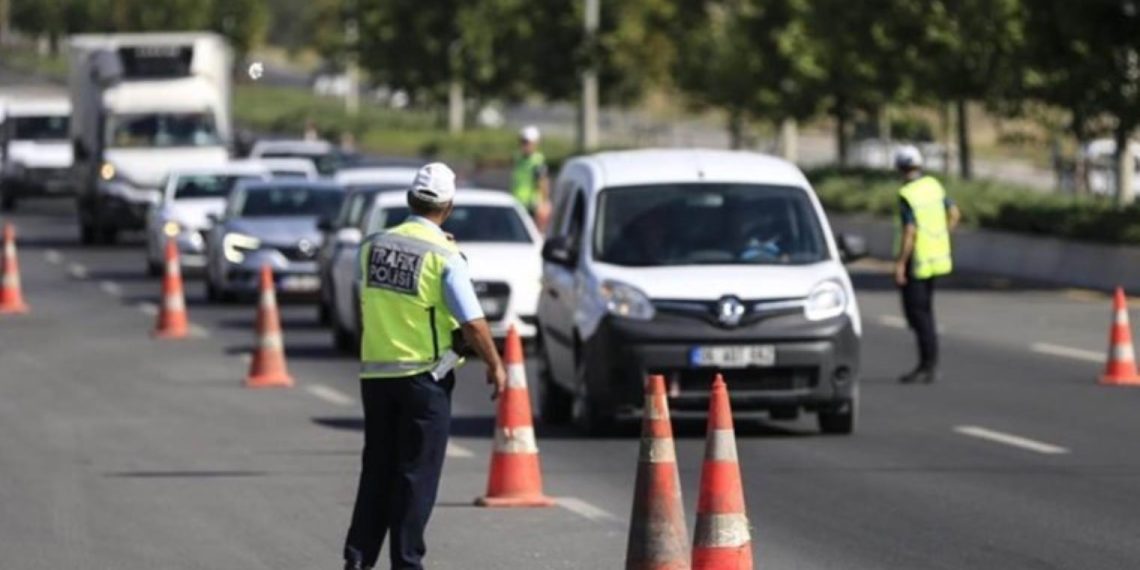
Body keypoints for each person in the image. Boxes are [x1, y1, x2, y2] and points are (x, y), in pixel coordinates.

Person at [343, 162, 508, 570]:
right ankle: (407, 564)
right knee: (415, 480)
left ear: (409, 200)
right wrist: (496, 365)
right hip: (423, 380)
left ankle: (357, 561)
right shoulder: (445, 255)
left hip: (376, 377)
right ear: (448, 206)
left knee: (376, 475)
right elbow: (472, 322)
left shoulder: (372, 246)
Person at [893, 145, 960, 384]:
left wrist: (900, 263)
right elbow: (954, 212)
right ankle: (928, 363)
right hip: (936, 259)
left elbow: (909, 231)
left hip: (917, 261)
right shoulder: (933, 185)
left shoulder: (908, 194)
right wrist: (941, 235)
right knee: (926, 313)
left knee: (919, 315)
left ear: (899, 168)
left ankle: (927, 365)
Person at [510, 125, 550, 228]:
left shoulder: (538, 161)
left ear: (535, 144)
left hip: (532, 206)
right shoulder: (518, 158)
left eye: (527, 142)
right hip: (517, 202)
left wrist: (544, 203)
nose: (524, 145)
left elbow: (543, 183)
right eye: (523, 142)